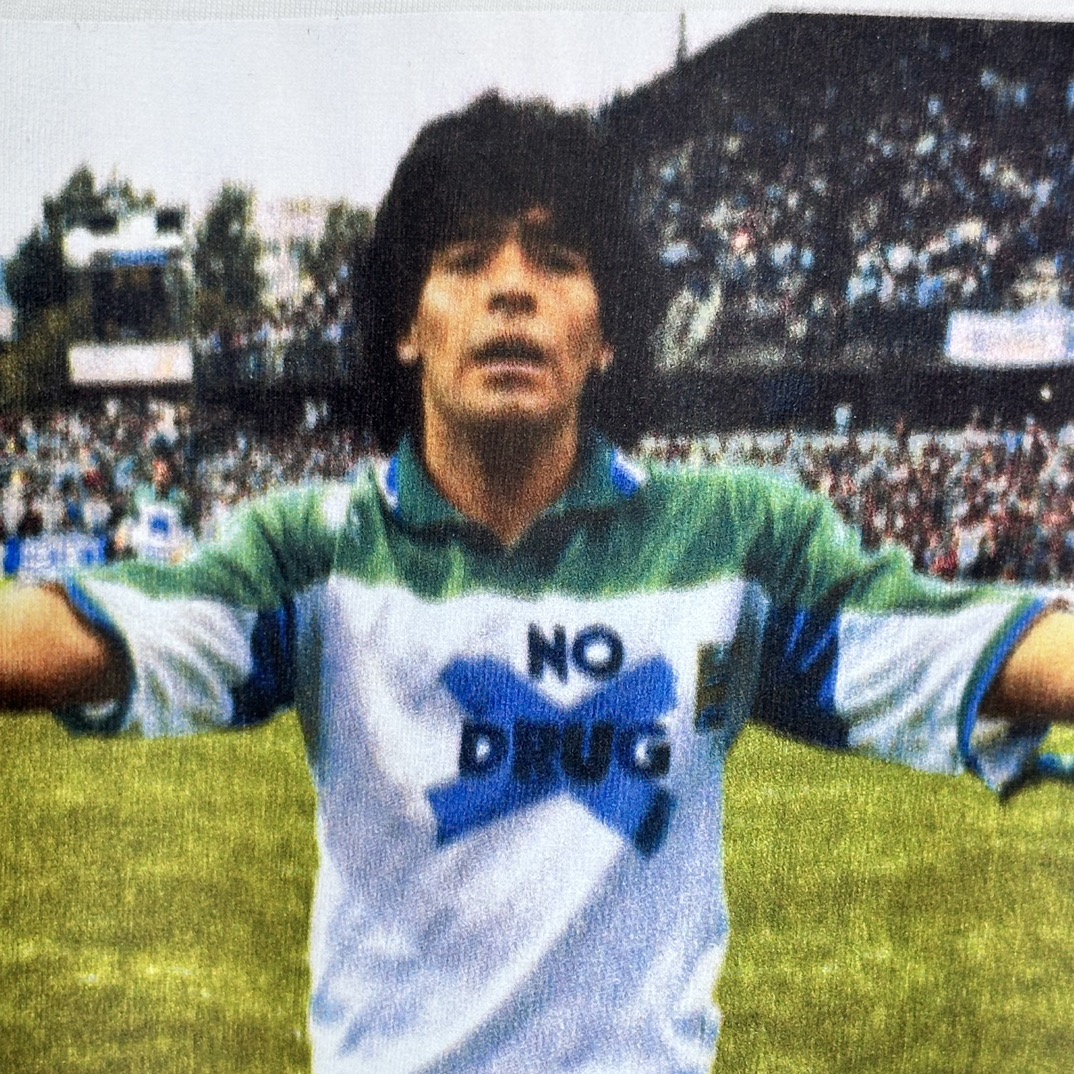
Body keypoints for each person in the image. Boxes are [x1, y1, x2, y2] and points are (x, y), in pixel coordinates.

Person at [2, 92, 1074, 1074]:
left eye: (559, 260)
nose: (512, 287)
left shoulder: (735, 542)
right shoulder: (317, 550)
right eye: (466, 259)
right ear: (405, 324)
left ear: (607, 333)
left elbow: (975, 644)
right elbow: (80, 634)